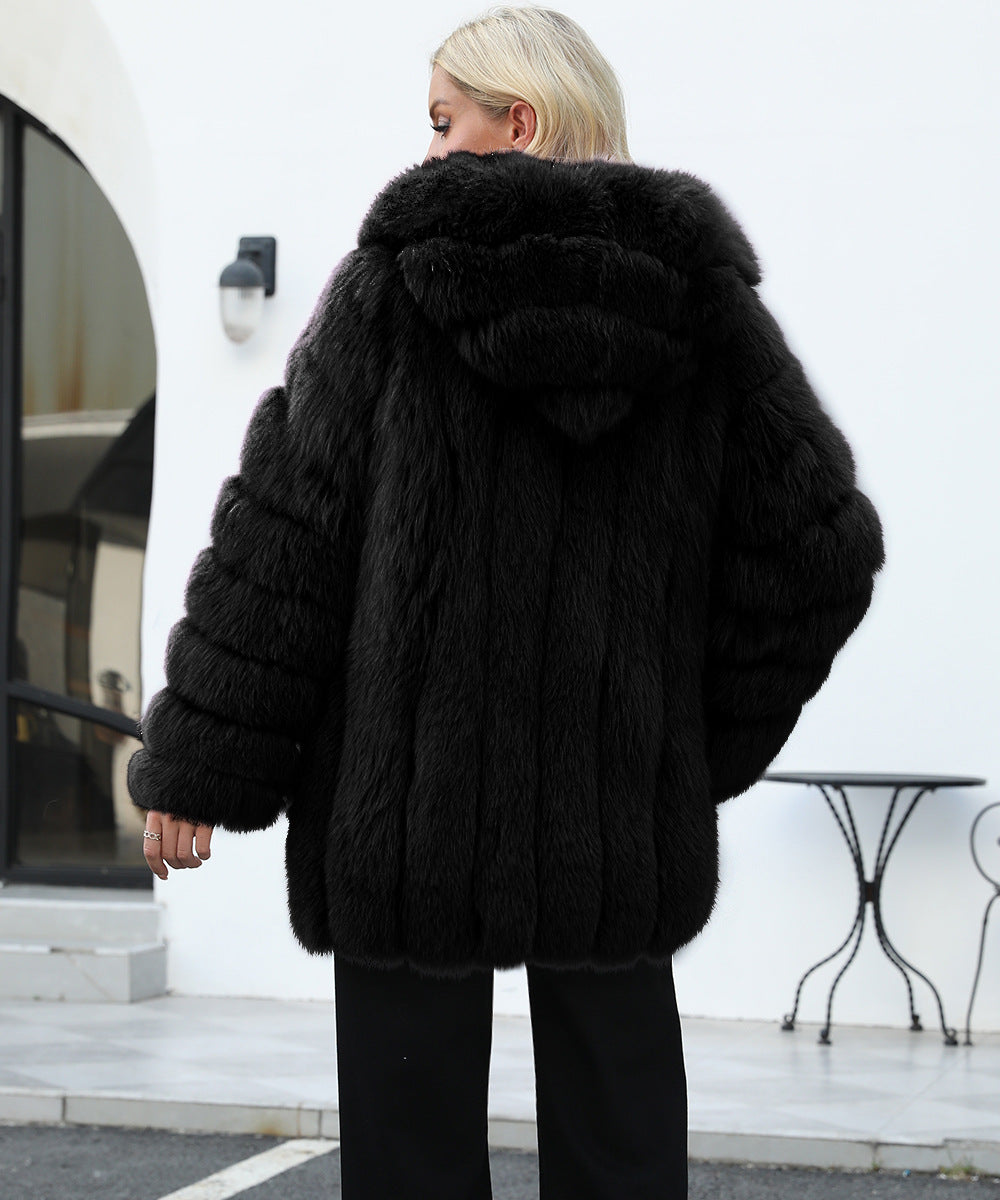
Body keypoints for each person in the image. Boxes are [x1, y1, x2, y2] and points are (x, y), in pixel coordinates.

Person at [127, 5, 886, 1198]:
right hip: (612, 818)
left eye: (444, 121)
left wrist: (200, 767)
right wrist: (684, 745)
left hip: (406, 807)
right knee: (622, 1142)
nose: (428, 149)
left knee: (409, 1150)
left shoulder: (390, 290)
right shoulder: (699, 304)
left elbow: (286, 541)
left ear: (517, 122)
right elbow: (817, 550)